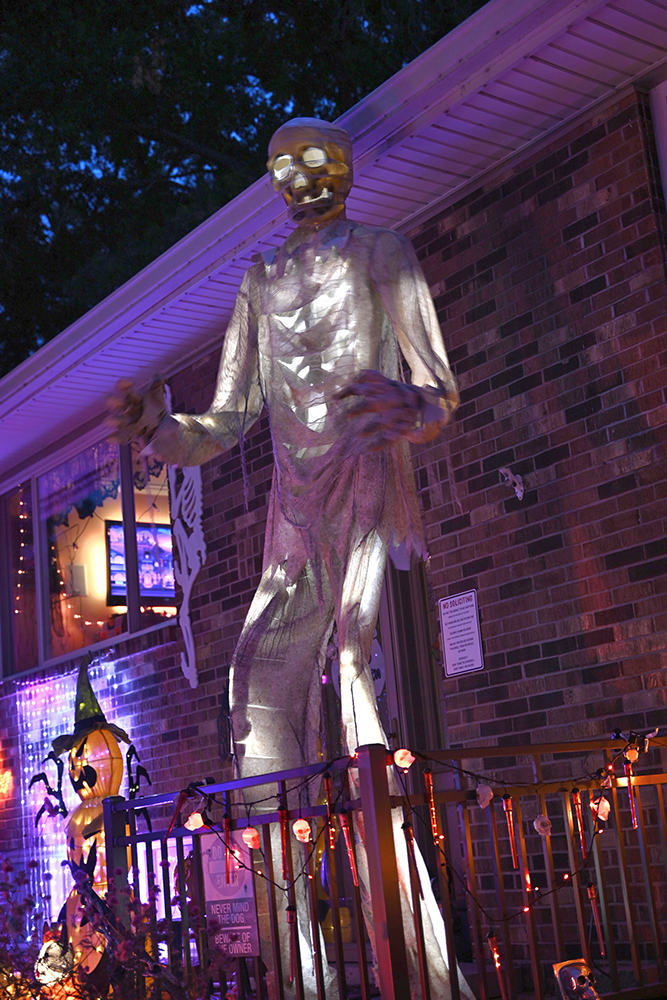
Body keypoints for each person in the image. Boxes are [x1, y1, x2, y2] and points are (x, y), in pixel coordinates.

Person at [108, 118, 471, 999]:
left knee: (353, 680)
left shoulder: (384, 253)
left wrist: (408, 406)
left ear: (344, 167)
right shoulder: (260, 280)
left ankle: (419, 972)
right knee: (255, 687)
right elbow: (225, 419)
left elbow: (438, 391)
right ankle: (298, 971)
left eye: (319, 160)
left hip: (363, 482)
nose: (303, 177)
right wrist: (157, 429)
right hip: (292, 510)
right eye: (285, 166)